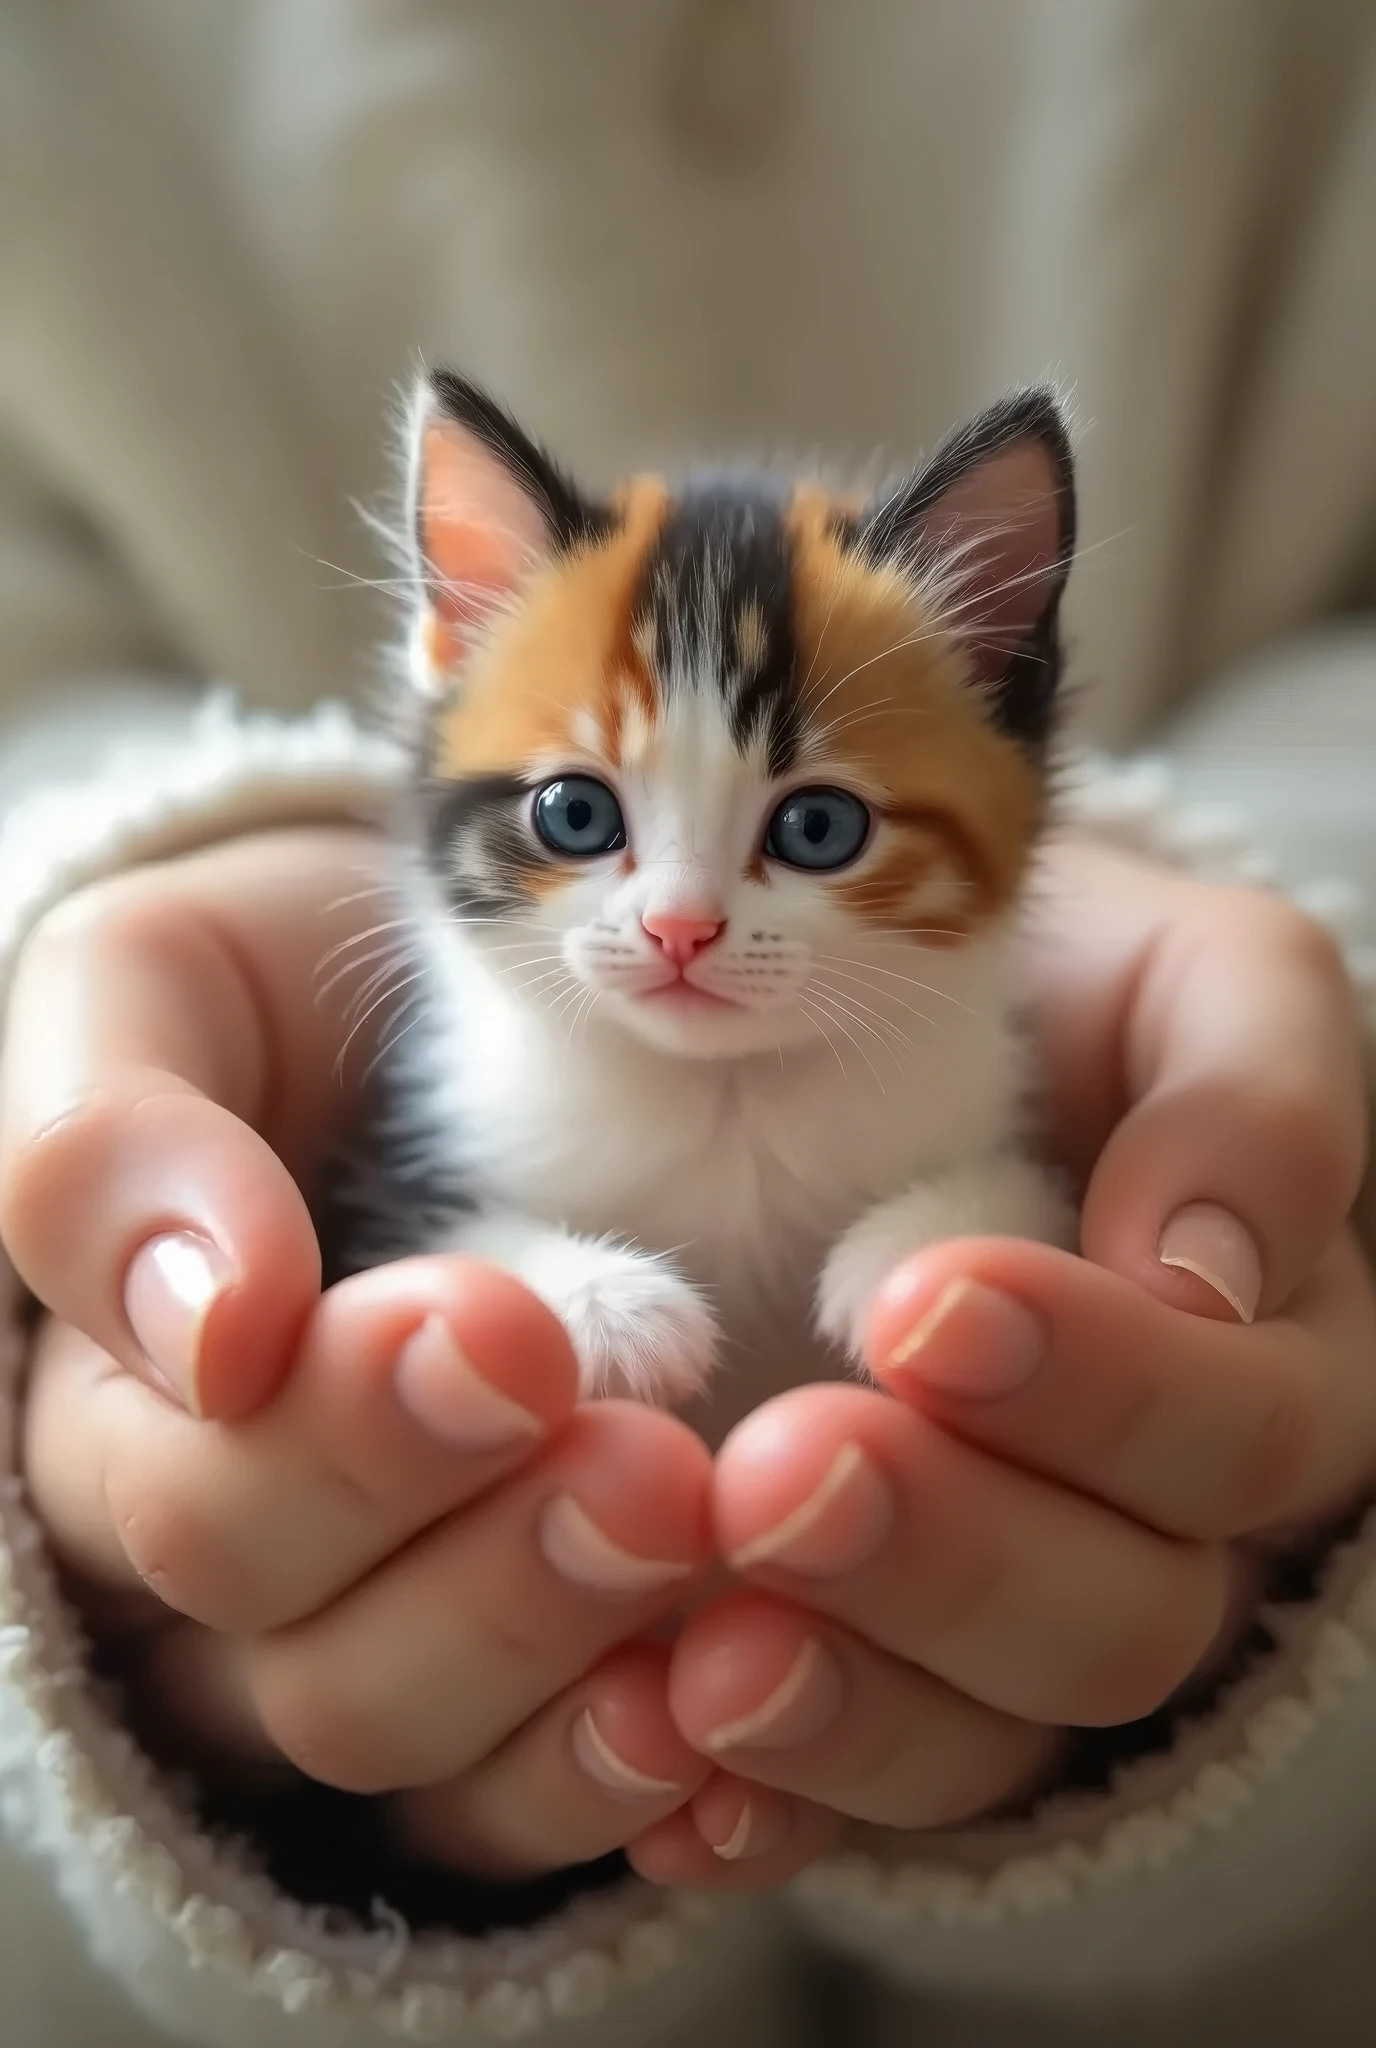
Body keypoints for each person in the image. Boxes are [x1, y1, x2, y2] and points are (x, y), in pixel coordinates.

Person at [0, 6, 1374, 2045]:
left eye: (809, 831)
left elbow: (983, 1212)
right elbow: (435, 1243)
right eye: (577, 817)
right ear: (450, 676)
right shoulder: (478, 1062)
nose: (674, 919)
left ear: (998, 709)